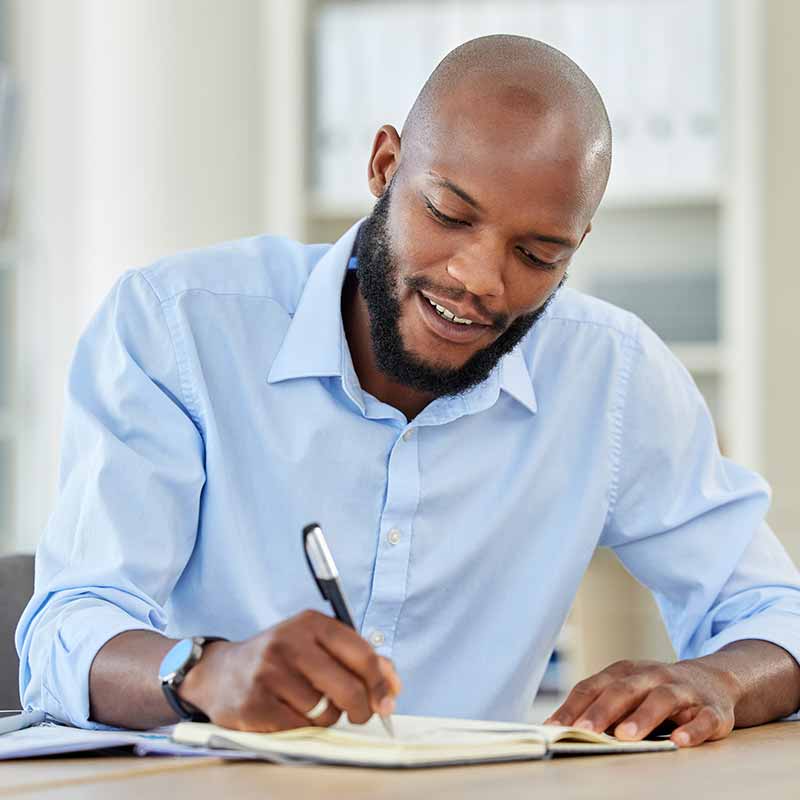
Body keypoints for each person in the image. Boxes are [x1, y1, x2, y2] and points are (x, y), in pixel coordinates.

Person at [16, 35, 800, 748]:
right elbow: (68, 630)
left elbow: (778, 616)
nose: (480, 280)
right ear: (385, 165)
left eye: (537, 253)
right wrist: (203, 674)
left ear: (578, 246)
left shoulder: (614, 375)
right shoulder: (178, 326)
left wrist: (718, 679)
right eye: (449, 215)